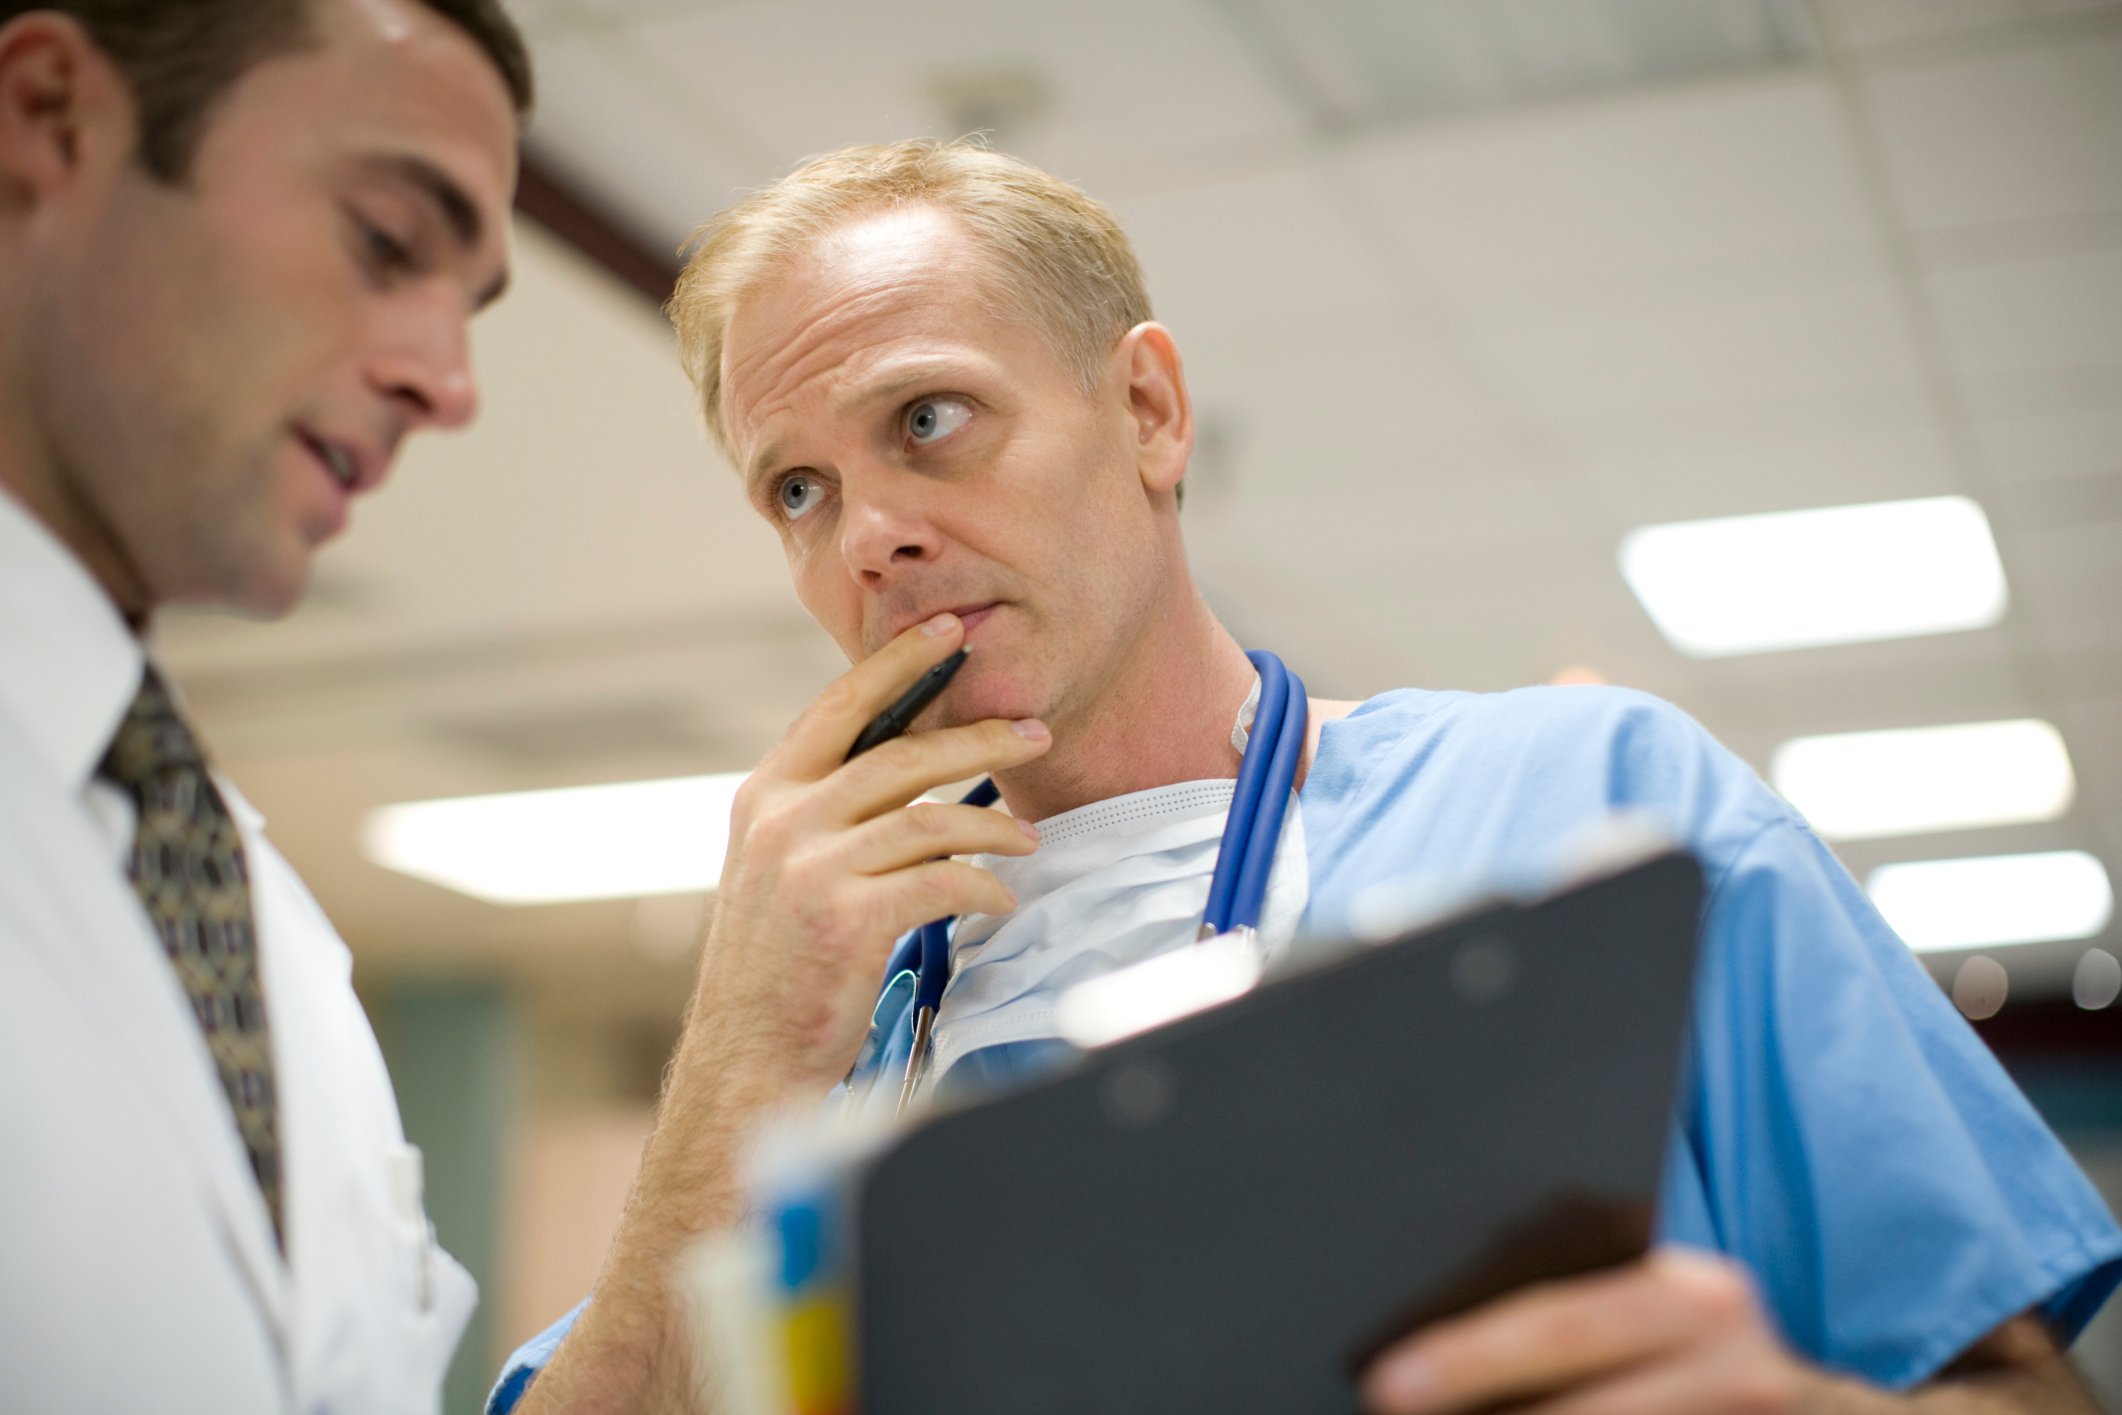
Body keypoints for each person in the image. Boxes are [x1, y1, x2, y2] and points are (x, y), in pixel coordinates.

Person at [495, 140, 2122, 1415]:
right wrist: (741, 1042)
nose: (869, 540)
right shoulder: (834, 1032)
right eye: (795, 488)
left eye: (929, 420)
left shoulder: (1591, 813)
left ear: (1146, 409)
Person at [0, 1, 529, 1410]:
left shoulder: (253, 921)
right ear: (52, 120)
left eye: (467, 310)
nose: (448, 384)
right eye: (386, 242)